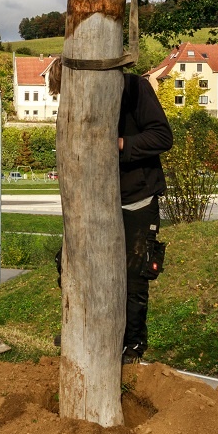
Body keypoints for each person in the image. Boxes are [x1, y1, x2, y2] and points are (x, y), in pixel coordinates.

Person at [48, 60, 173, 364]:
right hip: (91, 201)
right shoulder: (73, 108)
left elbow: (162, 137)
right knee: (72, 267)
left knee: (134, 275)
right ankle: (80, 329)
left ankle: (132, 347)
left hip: (135, 199)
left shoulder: (134, 89)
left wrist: (118, 143)